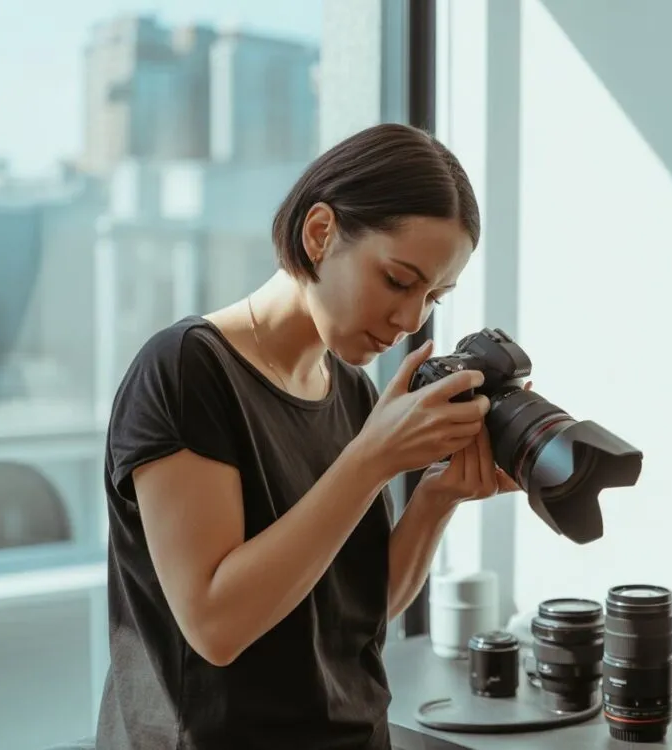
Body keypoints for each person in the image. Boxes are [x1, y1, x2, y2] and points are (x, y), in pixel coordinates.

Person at [95, 123, 523, 750]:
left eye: (434, 295)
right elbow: (216, 624)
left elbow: (359, 613)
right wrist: (371, 460)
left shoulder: (350, 392)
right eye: (399, 281)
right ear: (319, 232)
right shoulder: (187, 370)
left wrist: (437, 498)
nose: (410, 321)